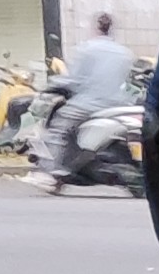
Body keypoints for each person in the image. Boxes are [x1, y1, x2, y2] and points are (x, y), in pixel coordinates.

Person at [25, 18, 133, 190]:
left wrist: (53, 84)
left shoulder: (87, 49)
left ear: (96, 28)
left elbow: (75, 80)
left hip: (89, 103)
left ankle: (51, 174)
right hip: (118, 104)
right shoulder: (124, 53)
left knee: (59, 129)